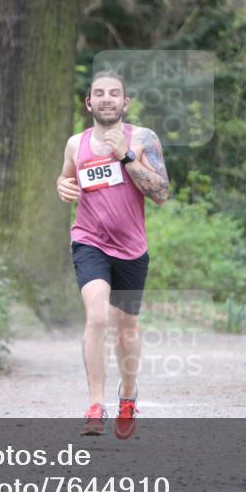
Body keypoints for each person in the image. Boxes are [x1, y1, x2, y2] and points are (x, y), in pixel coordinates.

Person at [56, 71, 169, 436]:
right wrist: (62, 187)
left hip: (132, 249)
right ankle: (94, 405)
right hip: (89, 241)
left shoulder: (144, 139)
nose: (107, 99)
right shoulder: (77, 143)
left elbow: (160, 192)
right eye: (99, 93)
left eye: (114, 94)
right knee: (98, 317)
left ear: (125, 103)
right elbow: (67, 179)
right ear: (89, 102)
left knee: (127, 330)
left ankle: (128, 396)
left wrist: (126, 157)